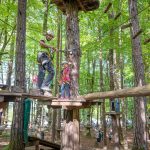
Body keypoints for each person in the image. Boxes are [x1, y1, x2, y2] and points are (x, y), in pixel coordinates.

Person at [37, 30, 57, 95]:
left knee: (41, 73)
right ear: (46, 35)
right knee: (52, 71)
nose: (50, 37)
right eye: (49, 35)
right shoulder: (43, 38)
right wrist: (50, 47)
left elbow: (50, 53)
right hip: (43, 55)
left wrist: (53, 50)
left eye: (51, 37)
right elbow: (41, 44)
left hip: (41, 57)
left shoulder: (50, 43)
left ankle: (39, 89)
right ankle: (44, 86)